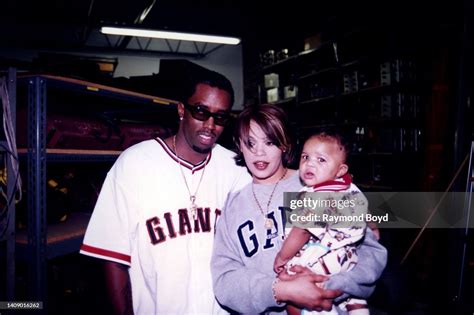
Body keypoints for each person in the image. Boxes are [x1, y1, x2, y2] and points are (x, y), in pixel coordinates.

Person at [80, 68, 252, 314]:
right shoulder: (135, 164)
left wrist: (325, 202)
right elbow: (113, 259)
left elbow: (285, 196)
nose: (210, 125)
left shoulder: (235, 167)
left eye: (221, 117)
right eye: (201, 112)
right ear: (182, 110)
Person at [211, 104, 387, 314]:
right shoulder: (233, 205)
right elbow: (225, 281)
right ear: (239, 145)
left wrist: (328, 286)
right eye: (250, 143)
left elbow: (370, 251)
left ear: (284, 144)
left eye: (269, 142)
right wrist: (281, 290)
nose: (259, 152)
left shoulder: (318, 183)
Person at [274, 131, 370, 315]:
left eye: (321, 160)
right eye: (305, 157)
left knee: (293, 281)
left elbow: (301, 231)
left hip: (324, 256)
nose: (309, 163)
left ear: (340, 170)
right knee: (346, 291)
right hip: (348, 257)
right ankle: (357, 306)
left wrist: (283, 256)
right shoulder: (346, 185)